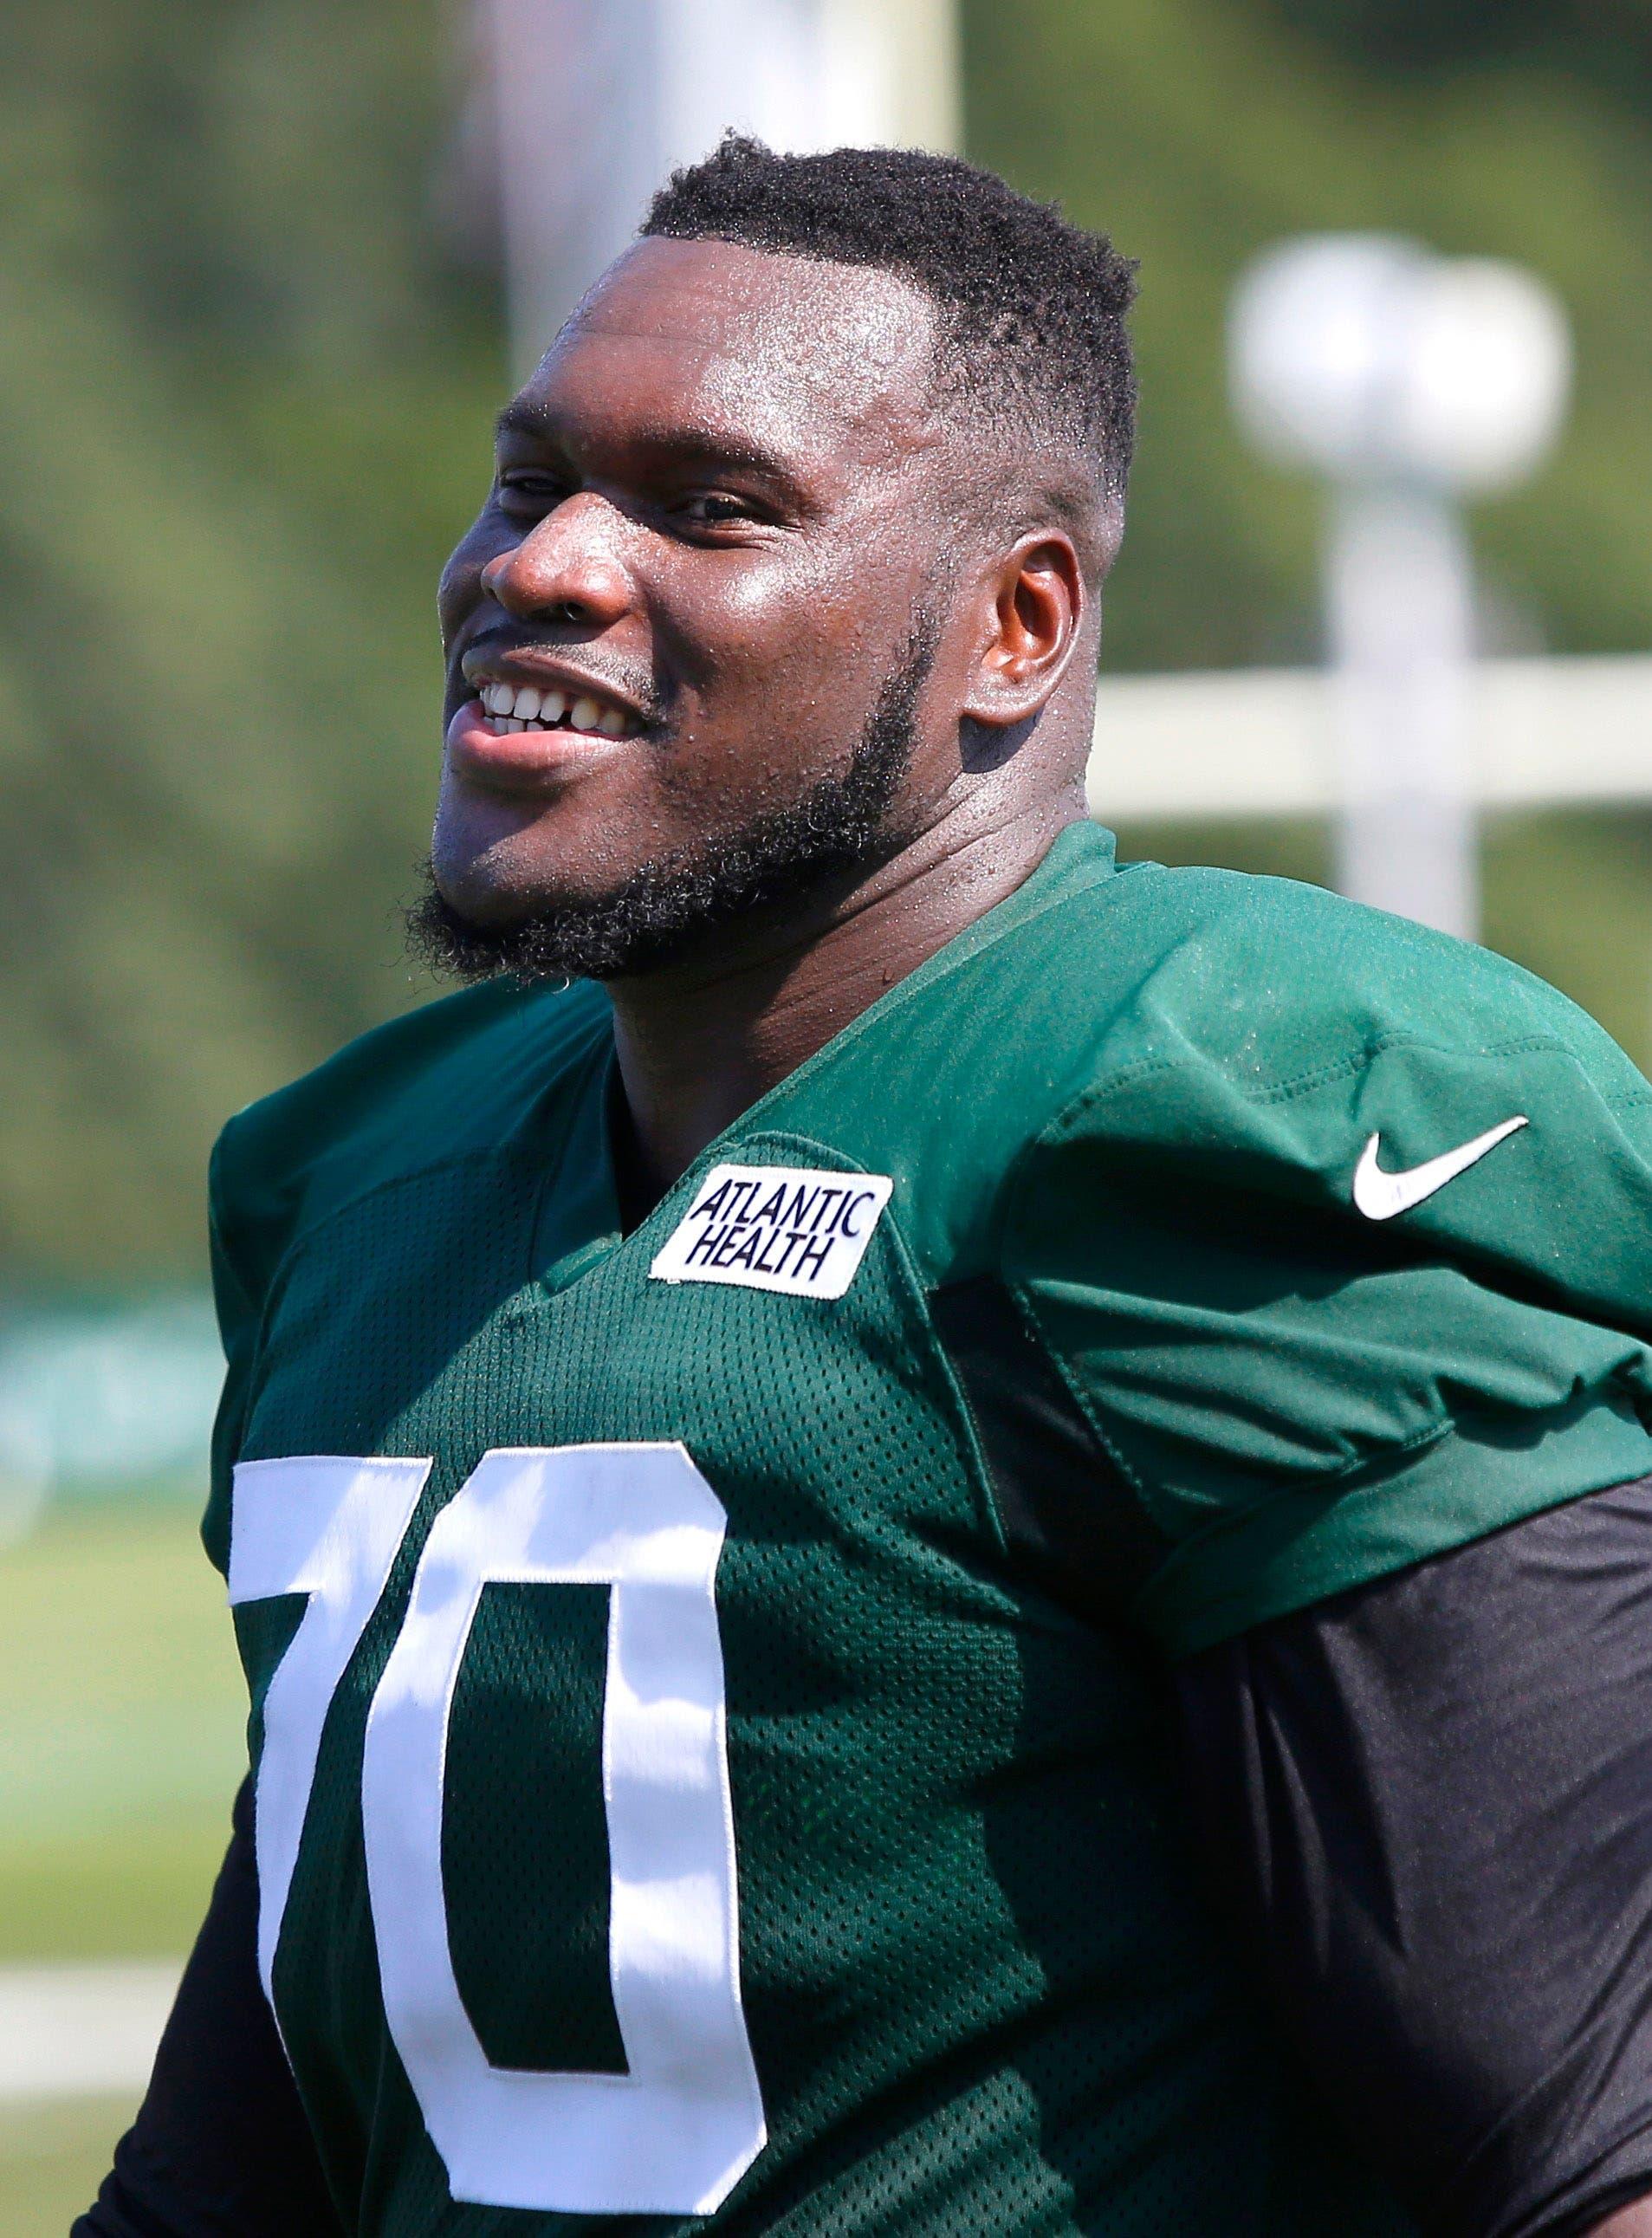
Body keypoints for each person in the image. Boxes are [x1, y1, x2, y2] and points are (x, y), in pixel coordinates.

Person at [80, 137, 1652, 2238]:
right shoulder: (367, 1178)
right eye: (530, 475)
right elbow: (242, 2159)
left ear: (1015, 623)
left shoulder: (1215, 1109)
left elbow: (1595, 2156)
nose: (540, 564)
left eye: (711, 505)